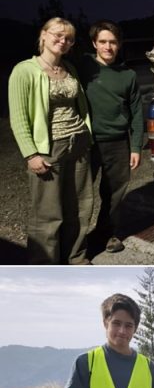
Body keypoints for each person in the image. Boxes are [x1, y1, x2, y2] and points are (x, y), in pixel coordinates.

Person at [9, 17, 93, 264]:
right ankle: (45, 265)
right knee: (48, 213)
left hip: (78, 143)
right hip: (49, 148)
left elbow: (79, 106)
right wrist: (31, 154)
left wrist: (86, 135)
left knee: (79, 207)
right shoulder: (24, 70)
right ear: (43, 35)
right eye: (58, 35)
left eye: (69, 38)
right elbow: (18, 117)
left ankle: (76, 258)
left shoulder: (69, 68)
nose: (63, 41)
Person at [78, 20, 143, 254]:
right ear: (94, 43)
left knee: (114, 194)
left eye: (113, 42)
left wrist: (135, 147)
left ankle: (106, 234)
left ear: (119, 44)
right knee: (80, 195)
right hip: (86, 143)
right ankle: (75, 242)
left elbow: (136, 112)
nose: (108, 47)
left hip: (118, 143)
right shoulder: (83, 67)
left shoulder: (128, 75)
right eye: (103, 41)